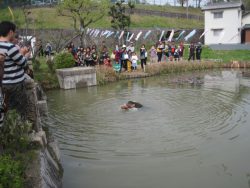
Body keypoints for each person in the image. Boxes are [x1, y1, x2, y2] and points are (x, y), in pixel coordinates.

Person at [0, 21, 30, 122]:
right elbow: (23, 64)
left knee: (6, 109)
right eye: (14, 32)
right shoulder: (10, 47)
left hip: (3, 83)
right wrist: (25, 54)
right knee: (20, 110)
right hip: (15, 84)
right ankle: (21, 132)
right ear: (10, 32)